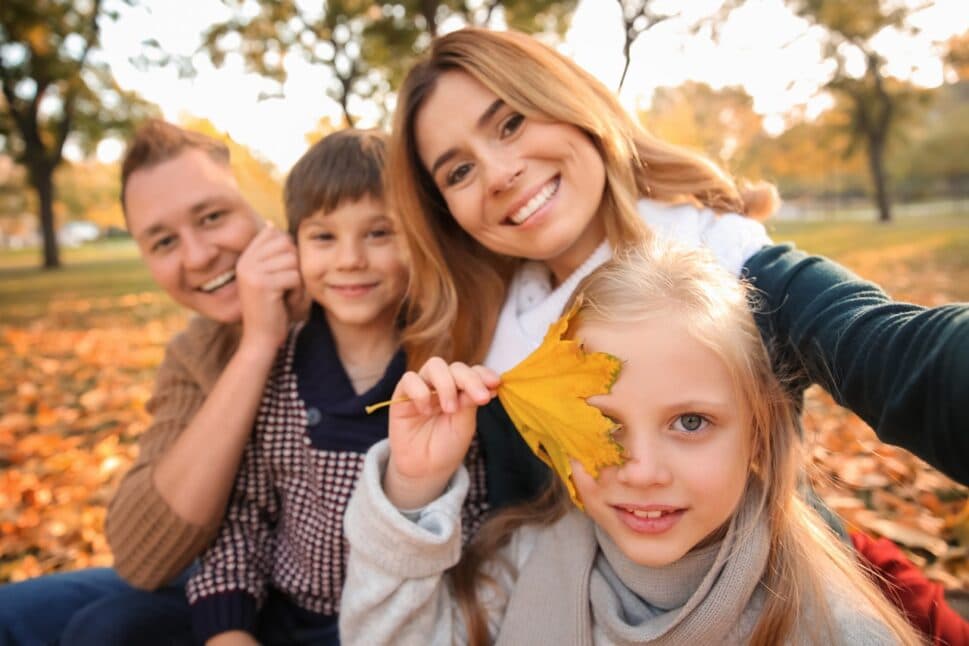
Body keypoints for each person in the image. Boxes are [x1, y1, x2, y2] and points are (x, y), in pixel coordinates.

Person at [381, 26, 969, 639]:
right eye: (458, 172)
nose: (499, 173)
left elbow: (897, 353)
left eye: (510, 123)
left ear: (573, 109)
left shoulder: (737, 268)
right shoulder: (490, 365)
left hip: (795, 592)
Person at [339, 241, 920, 644]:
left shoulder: (835, 625)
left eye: (690, 422)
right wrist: (414, 488)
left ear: (759, 436)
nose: (640, 471)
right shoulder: (515, 568)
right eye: (605, 425)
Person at [0, 120, 303, 645]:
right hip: (222, 582)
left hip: (326, 598)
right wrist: (255, 348)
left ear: (264, 207)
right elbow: (143, 555)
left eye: (212, 217)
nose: (197, 256)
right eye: (164, 241)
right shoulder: (196, 351)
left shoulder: (350, 294)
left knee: (101, 632)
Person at [184, 129, 487, 646]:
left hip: (410, 624)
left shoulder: (446, 373)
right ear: (292, 245)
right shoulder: (276, 370)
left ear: (418, 239)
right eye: (324, 237)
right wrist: (228, 629)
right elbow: (245, 517)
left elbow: (474, 523)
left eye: (379, 233)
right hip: (282, 619)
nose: (349, 259)